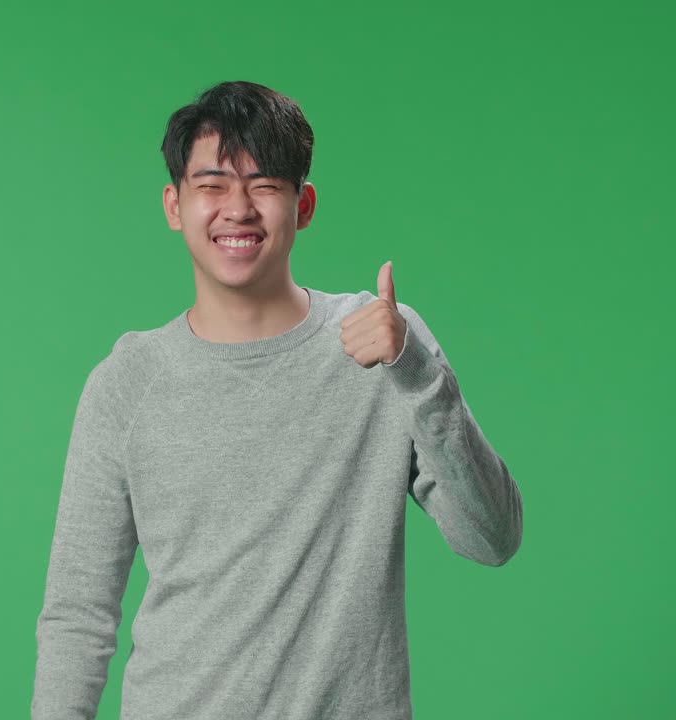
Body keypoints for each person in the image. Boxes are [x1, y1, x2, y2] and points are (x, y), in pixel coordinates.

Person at [32, 80, 523, 720]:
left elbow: (493, 537)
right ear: (174, 205)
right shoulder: (129, 379)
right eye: (211, 185)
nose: (237, 208)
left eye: (263, 185)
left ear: (304, 203)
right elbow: (78, 612)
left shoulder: (385, 344)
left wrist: (417, 371)